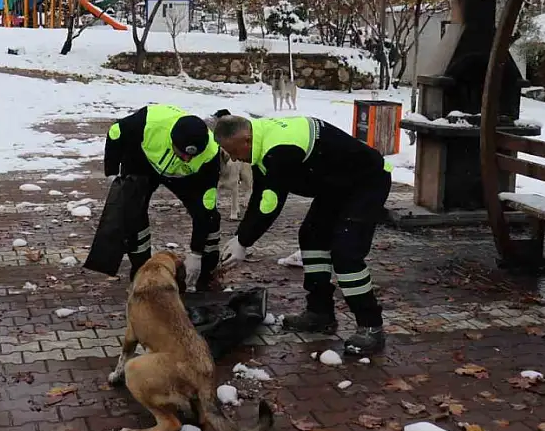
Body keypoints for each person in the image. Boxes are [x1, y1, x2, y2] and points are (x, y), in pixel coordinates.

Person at [213, 114, 392, 356]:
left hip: (366, 182)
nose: (233, 158)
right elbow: (261, 193)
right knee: (312, 236)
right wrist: (240, 236)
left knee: (346, 253)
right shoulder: (263, 140)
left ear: (246, 139)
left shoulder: (279, 149)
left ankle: (371, 326)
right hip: (337, 185)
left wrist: (243, 241)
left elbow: (270, 201)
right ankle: (320, 313)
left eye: (232, 151)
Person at [103, 104, 222, 291]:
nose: (187, 159)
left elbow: (205, 208)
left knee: (210, 216)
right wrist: (111, 172)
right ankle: (141, 271)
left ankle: (205, 273)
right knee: (132, 213)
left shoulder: (210, 155)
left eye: (191, 156)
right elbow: (115, 132)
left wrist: (196, 253)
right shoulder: (147, 123)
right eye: (182, 153)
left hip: (185, 177)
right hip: (143, 163)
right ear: (171, 140)